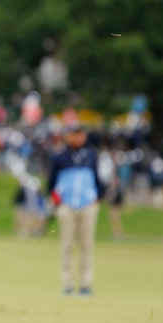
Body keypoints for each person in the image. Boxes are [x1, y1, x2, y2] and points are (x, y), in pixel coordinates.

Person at [47, 124, 104, 297]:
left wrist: (97, 198)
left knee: (86, 245)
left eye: (80, 134)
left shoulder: (91, 155)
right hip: (67, 206)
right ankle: (68, 283)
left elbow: (97, 180)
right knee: (67, 245)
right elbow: (51, 183)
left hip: (87, 205)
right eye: (74, 134)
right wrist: (57, 201)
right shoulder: (60, 157)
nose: (77, 138)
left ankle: (85, 283)